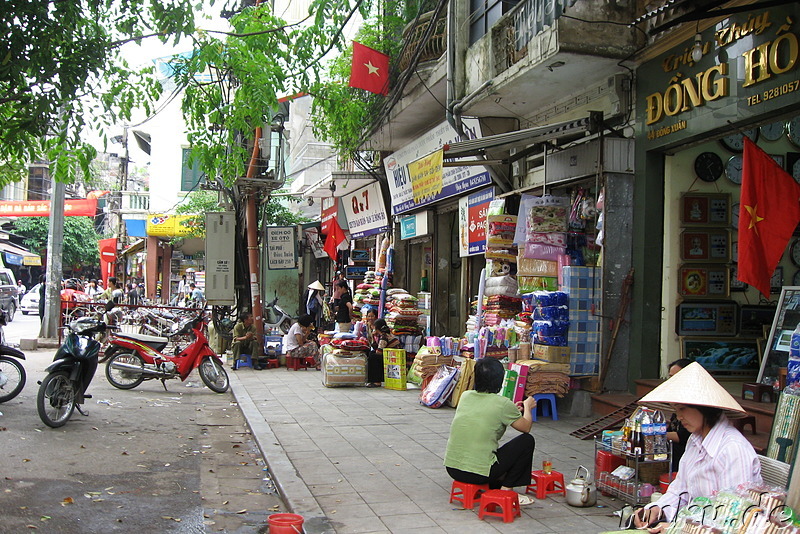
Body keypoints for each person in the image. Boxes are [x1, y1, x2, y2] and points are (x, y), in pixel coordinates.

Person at [632, 362, 762, 532]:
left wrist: (678, 528)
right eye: (676, 410)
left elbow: (734, 516)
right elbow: (679, 491)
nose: (678, 417)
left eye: (683, 409)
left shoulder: (732, 449)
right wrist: (657, 510)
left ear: (704, 408)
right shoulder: (695, 440)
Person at [444, 358, 538, 506]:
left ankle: (498, 484)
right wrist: (527, 407)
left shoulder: (465, 396)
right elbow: (526, 427)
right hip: (478, 473)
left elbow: (488, 411)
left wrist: (511, 410)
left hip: (453, 469)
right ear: (500, 380)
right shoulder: (503, 403)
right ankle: (507, 491)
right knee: (527, 441)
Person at [665, 358, 692, 471]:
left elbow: (683, 436)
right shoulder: (677, 399)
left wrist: (656, 432)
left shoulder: (692, 401)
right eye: (670, 377)